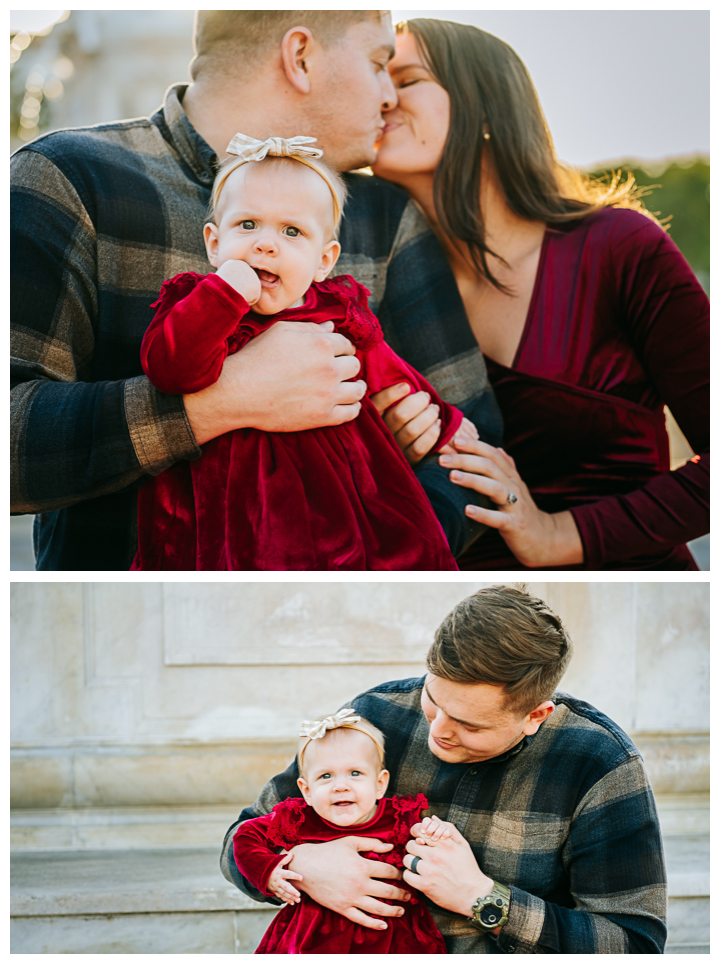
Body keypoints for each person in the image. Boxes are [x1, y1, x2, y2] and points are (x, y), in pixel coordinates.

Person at [10, 10, 501, 570]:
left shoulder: (385, 218)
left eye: (293, 233)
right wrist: (219, 403)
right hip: (134, 616)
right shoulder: (68, 178)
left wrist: (384, 546)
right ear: (301, 57)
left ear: (326, 256)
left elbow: (473, 439)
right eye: (378, 63)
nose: (388, 95)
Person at [136, 586, 667, 954]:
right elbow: (243, 837)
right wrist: (305, 866)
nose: (437, 731)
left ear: (535, 715)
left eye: (470, 724)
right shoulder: (377, 715)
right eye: (434, 701)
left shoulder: (598, 764)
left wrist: (484, 897)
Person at [371, 18, 710, 570]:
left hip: (628, 596)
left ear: (484, 108)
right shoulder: (375, 293)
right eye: (374, 77)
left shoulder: (621, 248)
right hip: (469, 607)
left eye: (406, 79)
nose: (381, 96)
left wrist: (557, 534)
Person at [131, 135, 476, 570]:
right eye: (247, 225)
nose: (265, 244)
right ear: (214, 243)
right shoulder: (195, 307)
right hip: (223, 507)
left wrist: (448, 423)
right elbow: (171, 371)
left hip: (334, 496)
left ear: (324, 260)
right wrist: (225, 295)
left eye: (291, 231)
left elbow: (390, 374)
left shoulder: (336, 313)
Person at [233, 711, 464, 954]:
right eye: (326, 776)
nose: (341, 785)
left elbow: (432, 849)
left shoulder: (400, 819)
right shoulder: (298, 821)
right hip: (319, 937)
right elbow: (246, 836)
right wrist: (271, 870)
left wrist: (436, 836)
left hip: (395, 937)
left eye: (355, 774)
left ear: (380, 783)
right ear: (306, 790)